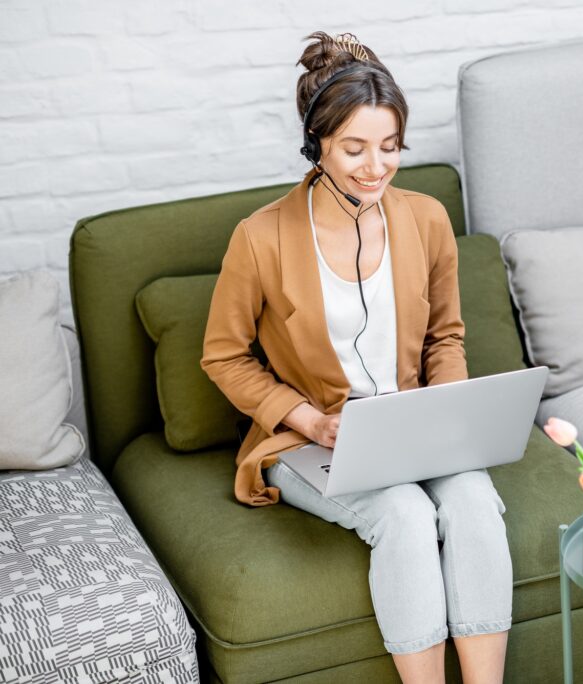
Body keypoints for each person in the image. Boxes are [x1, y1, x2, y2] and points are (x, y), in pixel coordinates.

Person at [201, 31, 512, 684]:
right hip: (306, 441)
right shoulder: (260, 238)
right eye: (355, 148)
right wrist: (311, 422)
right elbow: (224, 357)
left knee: (474, 505)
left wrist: (447, 411)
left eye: (390, 146)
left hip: (415, 428)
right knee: (403, 513)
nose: (376, 167)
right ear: (316, 144)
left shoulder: (425, 219)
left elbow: (445, 339)